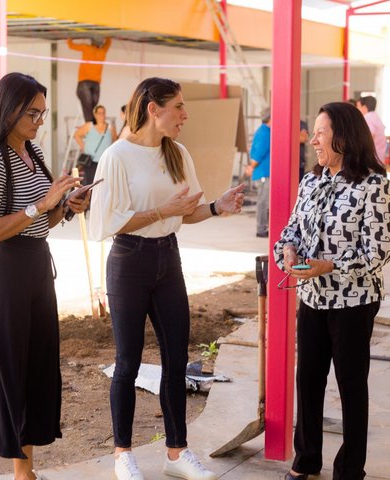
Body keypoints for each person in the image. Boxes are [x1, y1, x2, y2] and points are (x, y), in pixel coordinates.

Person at [89, 77, 245, 480]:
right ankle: (123, 455)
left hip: (167, 258)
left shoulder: (177, 153)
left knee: (177, 360)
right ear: (152, 108)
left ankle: (176, 454)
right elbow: (107, 221)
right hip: (129, 260)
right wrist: (163, 210)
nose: (184, 115)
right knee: (128, 363)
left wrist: (215, 206)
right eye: (177, 106)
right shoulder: (117, 157)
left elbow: (185, 211)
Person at [0, 72, 88, 480]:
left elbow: (37, 223)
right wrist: (41, 205)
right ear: (8, 109)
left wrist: (65, 207)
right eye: (32, 112)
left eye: (42, 113)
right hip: (1, 275)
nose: (38, 120)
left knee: (32, 372)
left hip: (33, 270)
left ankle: (23, 473)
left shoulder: (30, 152)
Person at [273, 102, 390, 480]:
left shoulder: (374, 185)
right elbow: (290, 230)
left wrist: (331, 266)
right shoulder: (311, 180)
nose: (313, 140)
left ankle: (350, 469)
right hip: (312, 297)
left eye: (320, 132)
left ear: (342, 136)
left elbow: (380, 251)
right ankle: (306, 460)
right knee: (308, 380)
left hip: (354, 301)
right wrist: (288, 251)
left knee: (350, 385)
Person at [67, 36, 112, 123]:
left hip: (85, 82)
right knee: (93, 107)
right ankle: (93, 126)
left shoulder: (87, 48)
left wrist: (70, 37)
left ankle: (92, 125)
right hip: (94, 83)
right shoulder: (102, 51)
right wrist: (107, 35)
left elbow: (71, 45)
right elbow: (108, 42)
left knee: (89, 108)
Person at [73, 104, 118, 185]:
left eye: (103, 113)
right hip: (91, 161)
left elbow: (115, 141)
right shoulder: (89, 126)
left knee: (105, 184)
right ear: (95, 114)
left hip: (105, 161)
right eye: (99, 113)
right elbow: (77, 135)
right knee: (91, 183)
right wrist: (83, 147)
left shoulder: (110, 127)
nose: (102, 115)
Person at [247, 108, 271, 238]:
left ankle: (264, 227)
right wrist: (251, 167)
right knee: (263, 201)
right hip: (263, 173)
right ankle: (261, 229)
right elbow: (258, 154)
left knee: (264, 201)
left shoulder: (263, 131)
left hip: (263, 172)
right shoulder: (265, 133)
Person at [356, 96, 387, 162]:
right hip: (379, 157)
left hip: (371, 159)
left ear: (364, 107)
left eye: (358, 107)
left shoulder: (368, 118)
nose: (357, 109)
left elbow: (369, 136)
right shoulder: (375, 116)